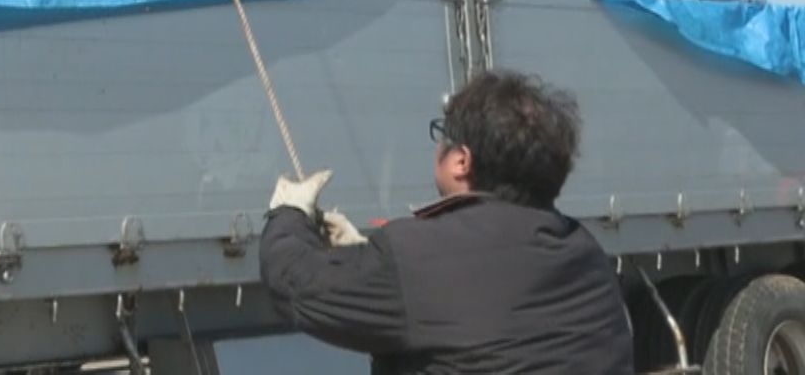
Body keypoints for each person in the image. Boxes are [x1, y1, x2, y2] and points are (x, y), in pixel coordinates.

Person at [257, 70, 634, 374]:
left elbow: (296, 284)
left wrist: (289, 213)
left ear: (461, 161)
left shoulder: (418, 257)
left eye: (443, 135)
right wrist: (369, 262)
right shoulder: (586, 252)